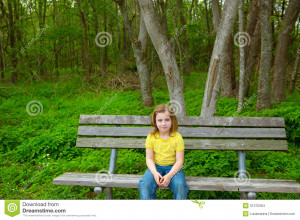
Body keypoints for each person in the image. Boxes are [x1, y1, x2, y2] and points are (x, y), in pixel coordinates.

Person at [139, 104, 189, 199]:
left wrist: (169, 175)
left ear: (172, 120)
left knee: (180, 185)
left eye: (167, 120)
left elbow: (179, 161)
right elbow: (149, 158)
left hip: (173, 168)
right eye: (160, 120)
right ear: (155, 121)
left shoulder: (177, 137)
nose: (163, 124)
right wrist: (154, 173)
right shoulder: (151, 137)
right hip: (155, 167)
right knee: (145, 184)